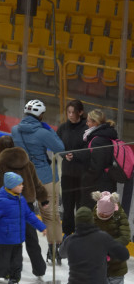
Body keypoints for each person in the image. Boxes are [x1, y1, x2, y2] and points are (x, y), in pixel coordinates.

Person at [11, 99, 65, 263]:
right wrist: (50, 130)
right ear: (40, 115)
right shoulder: (43, 132)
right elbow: (60, 148)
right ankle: (54, 250)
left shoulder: (15, 130)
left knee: (26, 215)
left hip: (25, 177)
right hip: (44, 177)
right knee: (50, 215)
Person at [0, 134, 49, 279]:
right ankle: (40, 269)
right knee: (32, 239)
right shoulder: (27, 163)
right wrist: (43, 199)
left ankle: (7, 271)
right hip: (27, 206)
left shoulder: (0, 165)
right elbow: (36, 183)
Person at [0, 172, 46, 284]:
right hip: (6, 239)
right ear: (11, 186)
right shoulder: (3, 201)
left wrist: (41, 227)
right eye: (19, 184)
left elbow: (29, 215)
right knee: (3, 263)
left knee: (17, 263)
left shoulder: (20, 199)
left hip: (18, 238)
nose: (22, 186)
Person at [90, 190, 130, 284]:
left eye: (106, 215)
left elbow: (125, 236)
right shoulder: (95, 213)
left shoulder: (119, 214)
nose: (103, 217)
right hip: (98, 265)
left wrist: (109, 248)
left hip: (116, 265)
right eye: (102, 215)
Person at [57, 100, 88, 236]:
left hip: (82, 175)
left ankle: (80, 234)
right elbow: (57, 146)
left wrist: (75, 155)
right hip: (68, 174)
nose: (70, 115)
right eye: (68, 112)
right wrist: (64, 155)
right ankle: (67, 234)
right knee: (68, 206)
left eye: (73, 112)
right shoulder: (63, 128)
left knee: (81, 207)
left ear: (80, 112)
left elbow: (90, 149)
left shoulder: (87, 128)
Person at [80, 109, 118, 207]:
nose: (87, 123)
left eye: (88, 121)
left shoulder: (98, 140)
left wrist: (85, 178)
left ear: (95, 123)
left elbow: (97, 165)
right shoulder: (105, 135)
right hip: (106, 180)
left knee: (94, 213)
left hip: (98, 184)